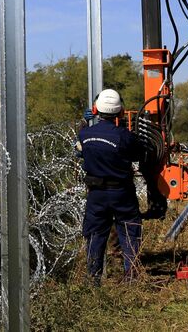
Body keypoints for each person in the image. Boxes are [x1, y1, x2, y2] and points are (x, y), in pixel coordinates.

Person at [77, 88, 144, 282]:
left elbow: (81, 150)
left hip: (96, 193)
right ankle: (132, 280)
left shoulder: (85, 134)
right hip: (121, 191)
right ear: (121, 112)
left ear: (96, 110)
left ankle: (93, 279)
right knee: (130, 232)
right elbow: (138, 153)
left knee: (96, 234)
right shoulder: (125, 136)